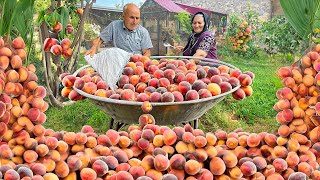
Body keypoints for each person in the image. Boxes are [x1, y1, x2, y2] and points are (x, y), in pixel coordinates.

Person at [85, 3, 153, 57]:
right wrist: (93, 48)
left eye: (137, 18)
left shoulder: (143, 32)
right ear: (123, 16)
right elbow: (100, 39)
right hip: (118, 64)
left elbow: (147, 52)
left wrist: (141, 62)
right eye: (132, 17)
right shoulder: (114, 26)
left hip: (136, 65)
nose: (135, 22)